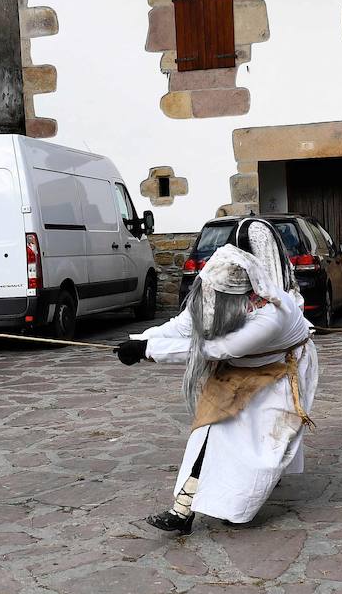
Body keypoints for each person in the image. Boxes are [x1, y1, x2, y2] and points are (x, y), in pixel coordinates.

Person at [116, 218, 316, 533]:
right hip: (239, 368)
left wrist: (149, 351)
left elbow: (218, 349)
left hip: (277, 370)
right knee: (208, 431)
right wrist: (140, 340)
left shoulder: (273, 314)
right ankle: (182, 512)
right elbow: (185, 325)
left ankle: (239, 502)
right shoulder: (218, 289)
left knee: (260, 448)